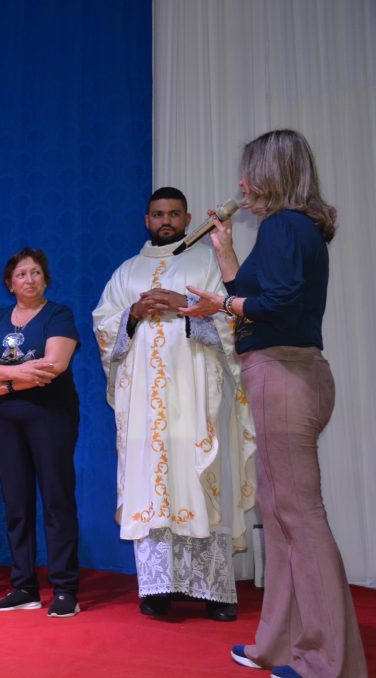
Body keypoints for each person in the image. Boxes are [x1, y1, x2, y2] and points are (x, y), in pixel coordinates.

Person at [182, 130, 367, 678]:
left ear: (272, 172)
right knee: (282, 518)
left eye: (249, 170)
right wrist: (225, 254)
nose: (241, 182)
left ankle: (327, 663)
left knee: (300, 519)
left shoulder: (284, 225)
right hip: (290, 373)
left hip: (285, 374)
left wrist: (223, 305)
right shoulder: (293, 228)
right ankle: (279, 645)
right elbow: (260, 295)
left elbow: (275, 304)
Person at [91, 187, 256, 622]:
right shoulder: (126, 272)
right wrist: (133, 314)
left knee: (200, 476)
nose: (166, 221)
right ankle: (158, 588)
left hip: (197, 394)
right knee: (152, 483)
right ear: (146, 220)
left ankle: (215, 591)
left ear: (186, 218)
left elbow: (235, 316)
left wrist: (186, 306)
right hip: (144, 403)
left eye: (174, 214)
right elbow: (104, 326)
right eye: (158, 214)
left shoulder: (207, 263)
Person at [0, 248, 81, 617]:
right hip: (7, 419)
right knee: (16, 503)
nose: (29, 279)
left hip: (52, 414)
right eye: (21, 274)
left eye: (35, 273)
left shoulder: (58, 314)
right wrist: (16, 374)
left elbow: (54, 366)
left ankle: (64, 589)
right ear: (9, 283)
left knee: (56, 499)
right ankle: (24, 587)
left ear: (45, 279)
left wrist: (5, 383)